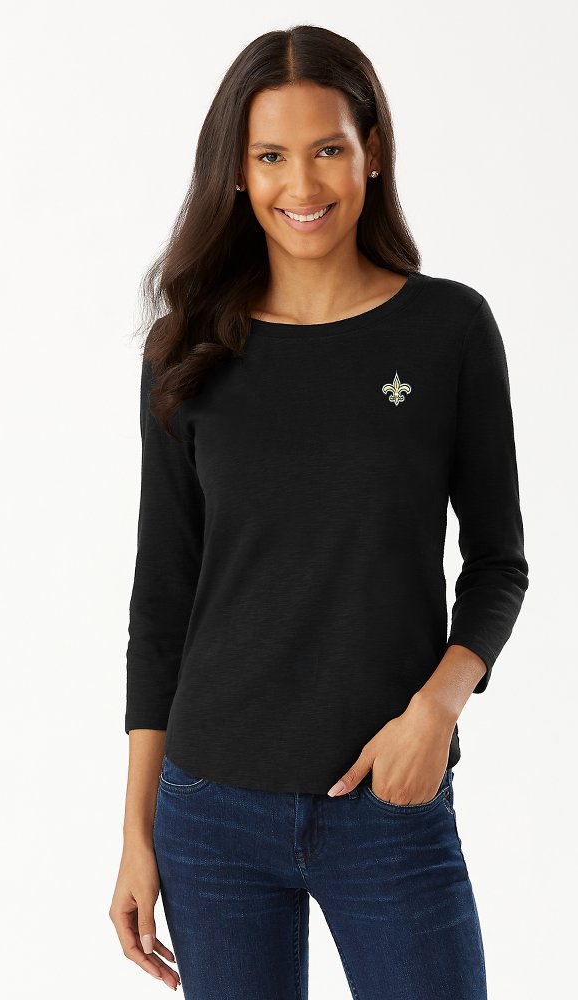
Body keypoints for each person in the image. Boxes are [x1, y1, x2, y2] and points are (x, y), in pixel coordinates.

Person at [109, 24, 529, 1000]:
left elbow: (497, 564)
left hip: (389, 801)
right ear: (237, 170)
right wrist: (135, 832)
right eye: (270, 156)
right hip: (210, 811)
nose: (301, 183)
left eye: (327, 148)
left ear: (370, 151)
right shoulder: (185, 352)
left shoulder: (446, 330)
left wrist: (435, 709)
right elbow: (161, 606)